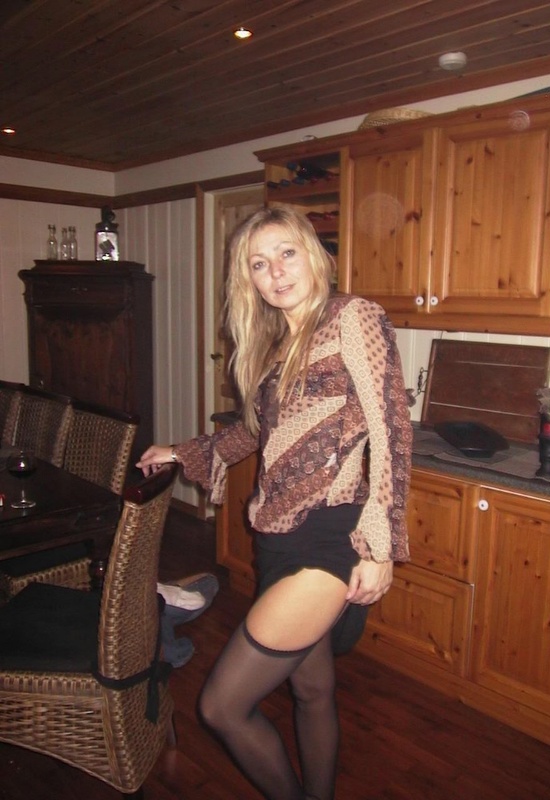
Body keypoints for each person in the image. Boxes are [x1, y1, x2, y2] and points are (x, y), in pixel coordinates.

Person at [137, 205, 412, 800]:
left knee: (222, 706)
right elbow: (255, 433)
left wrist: (381, 546)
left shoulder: (352, 316)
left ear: (313, 254)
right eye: (259, 264)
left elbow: (391, 426)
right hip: (277, 539)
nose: (276, 272)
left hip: (329, 537)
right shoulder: (272, 347)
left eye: (286, 253)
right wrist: (182, 450)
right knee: (311, 691)